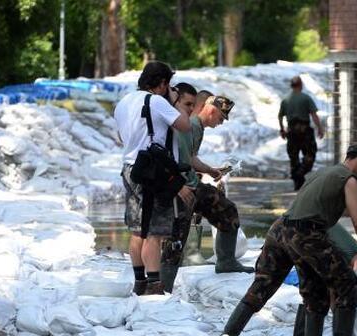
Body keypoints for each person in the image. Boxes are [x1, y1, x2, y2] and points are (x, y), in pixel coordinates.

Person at [222, 142, 357, 336]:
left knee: (279, 286)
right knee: (345, 280)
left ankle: (230, 334)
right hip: (306, 233)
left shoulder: (324, 172)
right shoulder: (348, 179)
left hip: (280, 228)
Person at [159, 87, 255, 292]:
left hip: (191, 183)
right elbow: (178, 159)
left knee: (226, 209)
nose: (220, 122)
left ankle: (226, 261)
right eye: (221, 117)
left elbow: (190, 157)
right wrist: (182, 183)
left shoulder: (195, 126)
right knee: (176, 237)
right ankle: (163, 286)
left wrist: (210, 171)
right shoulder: (191, 124)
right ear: (211, 110)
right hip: (182, 187)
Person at [114, 61, 191, 295]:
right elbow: (185, 125)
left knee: (138, 230)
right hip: (152, 174)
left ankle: (140, 282)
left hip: (130, 168)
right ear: (163, 83)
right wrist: (176, 102)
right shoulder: (157, 101)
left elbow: (120, 137)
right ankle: (155, 285)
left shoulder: (124, 102)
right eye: (170, 85)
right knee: (154, 233)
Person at [290, 224, 357, 336]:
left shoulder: (345, 251)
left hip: (295, 235)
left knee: (313, 289)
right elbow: (342, 287)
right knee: (322, 290)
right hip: (307, 238)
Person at [278, 75, 324, 190]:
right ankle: (300, 174)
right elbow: (313, 114)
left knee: (293, 157)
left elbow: (280, 116)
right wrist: (320, 128)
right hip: (305, 132)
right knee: (310, 154)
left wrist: (282, 129)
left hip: (291, 131)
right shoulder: (306, 98)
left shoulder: (285, 100)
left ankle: (297, 181)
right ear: (300, 85)